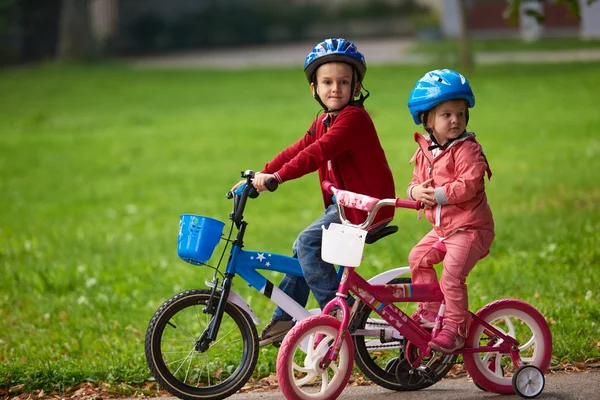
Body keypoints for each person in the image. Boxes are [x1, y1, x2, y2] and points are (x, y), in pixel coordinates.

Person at [234, 38, 396, 346]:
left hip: (365, 207)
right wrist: (261, 173)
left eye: (343, 82)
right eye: (327, 82)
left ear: (356, 87)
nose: (335, 88)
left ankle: (336, 314)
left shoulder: (354, 119)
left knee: (307, 243)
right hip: (346, 205)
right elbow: (300, 146)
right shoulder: (323, 119)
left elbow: (317, 153)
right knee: (304, 249)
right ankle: (286, 318)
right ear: (314, 88)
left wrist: (277, 178)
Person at [405, 69, 495, 353]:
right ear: (427, 119)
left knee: (452, 277)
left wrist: (438, 196)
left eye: (460, 113)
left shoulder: (467, 149)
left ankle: (455, 328)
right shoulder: (425, 150)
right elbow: (416, 182)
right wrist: (415, 192)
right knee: (418, 258)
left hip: (471, 229)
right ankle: (431, 313)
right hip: (444, 230)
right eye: (446, 115)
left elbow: (469, 184)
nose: (455, 119)